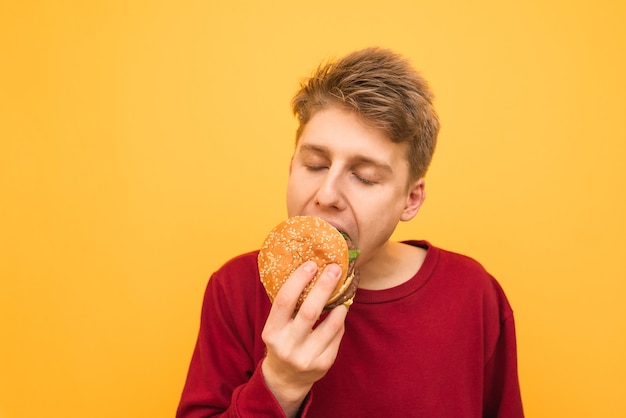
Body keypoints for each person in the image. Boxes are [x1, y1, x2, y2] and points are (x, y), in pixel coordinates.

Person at [177, 47, 524, 417]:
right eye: (315, 165)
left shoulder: (473, 293)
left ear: (410, 199)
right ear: (292, 166)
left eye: (364, 176)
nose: (327, 195)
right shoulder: (237, 288)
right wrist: (279, 384)